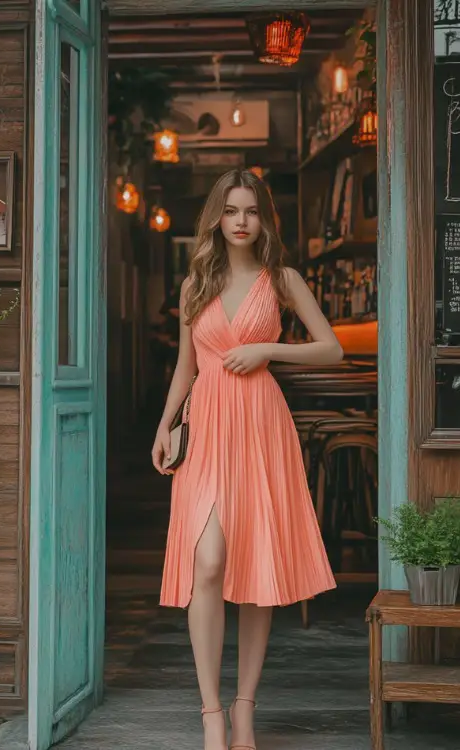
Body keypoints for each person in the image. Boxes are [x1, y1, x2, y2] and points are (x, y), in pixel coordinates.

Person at [151, 169, 343, 750]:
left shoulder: (282, 279)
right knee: (206, 561)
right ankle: (211, 711)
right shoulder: (194, 285)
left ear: (264, 219)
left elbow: (330, 348)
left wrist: (267, 348)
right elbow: (187, 367)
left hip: (261, 425)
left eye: (251, 211)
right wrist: (164, 426)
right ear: (216, 217)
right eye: (231, 210)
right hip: (207, 425)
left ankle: (244, 710)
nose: (240, 220)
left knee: (257, 567)